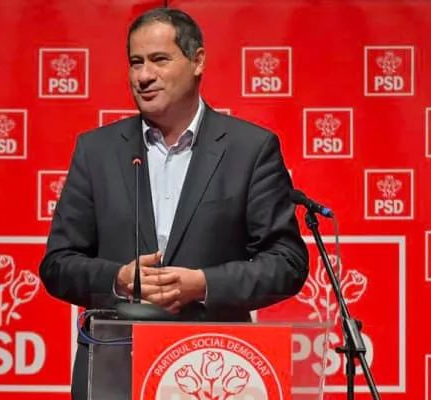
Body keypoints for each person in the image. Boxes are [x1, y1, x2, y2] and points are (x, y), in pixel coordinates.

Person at [38, 7, 309, 399]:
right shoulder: (97, 151)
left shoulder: (250, 149)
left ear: (197, 61)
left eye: (159, 59)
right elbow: (57, 265)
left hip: (214, 368)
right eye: (136, 62)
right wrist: (118, 279)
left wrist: (203, 284)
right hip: (116, 372)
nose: (144, 76)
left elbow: (286, 263)